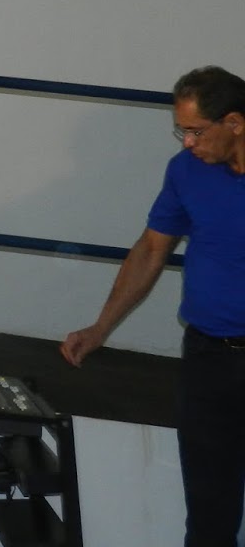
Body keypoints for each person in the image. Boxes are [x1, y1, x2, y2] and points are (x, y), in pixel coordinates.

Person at [60, 66, 245, 547]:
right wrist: (100, 328)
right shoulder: (186, 171)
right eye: (182, 131)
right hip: (208, 358)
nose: (189, 143)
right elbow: (150, 250)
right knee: (208, 514)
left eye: (196, 131)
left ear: (235, 122)